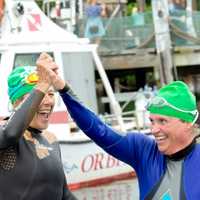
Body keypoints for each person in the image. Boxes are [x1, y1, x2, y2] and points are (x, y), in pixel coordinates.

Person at [51, 67, 200, 200]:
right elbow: (99, 130)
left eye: (162, 121)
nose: (154, 130)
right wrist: (63, 89)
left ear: (187, 122)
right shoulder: (143, 151)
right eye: (152, 121)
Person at [0, 53, 77, 200]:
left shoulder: (51, 139)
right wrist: (42, 83)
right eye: (41, 95)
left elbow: (64, 194)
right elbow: (10, 134)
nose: (48, 101)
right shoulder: (4, 131)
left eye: (51, 94)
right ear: (16, 103)